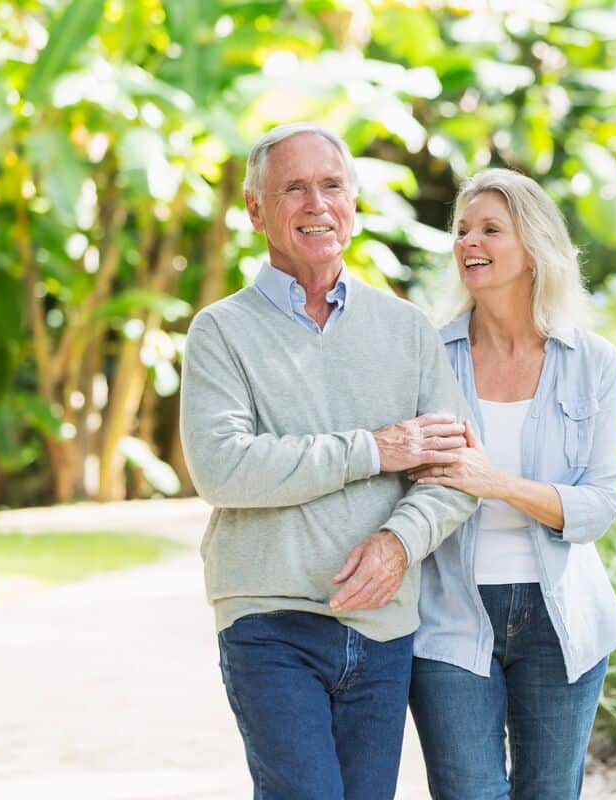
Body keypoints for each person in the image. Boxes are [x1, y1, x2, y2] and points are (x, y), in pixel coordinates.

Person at [179, 122, 478, 800]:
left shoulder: (406, 330)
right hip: (269, 619)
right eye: (294, 189)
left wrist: (400, 545)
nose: (317, 204)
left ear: (353, 201)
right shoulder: (222, 332)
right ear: (257, 210)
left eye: (332, 186)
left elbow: (452, 472)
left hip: (383, 625)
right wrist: (376, 448)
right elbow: (225, 467)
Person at [405, 168, 616, 800]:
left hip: (561, 619)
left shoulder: (590, 360)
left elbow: (598, 506)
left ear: (532, 248)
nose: (469, 241)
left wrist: (495, 482)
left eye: (490, 229)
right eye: (462, 229)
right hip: (450, 612)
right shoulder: (429, 353)